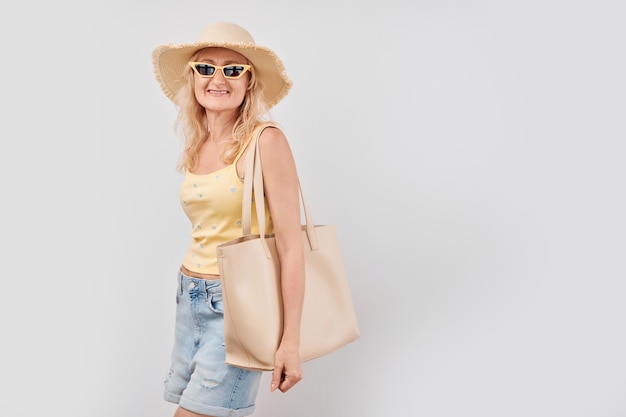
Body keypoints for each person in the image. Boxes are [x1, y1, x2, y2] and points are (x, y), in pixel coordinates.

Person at [151, 22, 305, 417]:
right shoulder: (197, 142)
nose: (217, 79)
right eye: (206, 68)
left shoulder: (265, 141)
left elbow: (290, 245)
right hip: (189, 298)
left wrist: (290, 342)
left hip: (238, 305)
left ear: (250, 82)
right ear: (192, 77)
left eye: (233, 70)